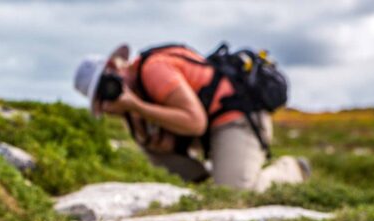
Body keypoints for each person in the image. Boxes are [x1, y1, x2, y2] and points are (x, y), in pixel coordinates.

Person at [74, 44, 310, 191]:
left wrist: (137, 106)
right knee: (151, 147)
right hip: (211, 131)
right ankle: (207, 179)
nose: (109, 98)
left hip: (238, 119)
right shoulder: (134, 104)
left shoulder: (154, 70)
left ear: (116, 66)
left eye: (107, 85)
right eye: (101, 98)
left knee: (238, 193)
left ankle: (290, 169)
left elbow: (195, 122)